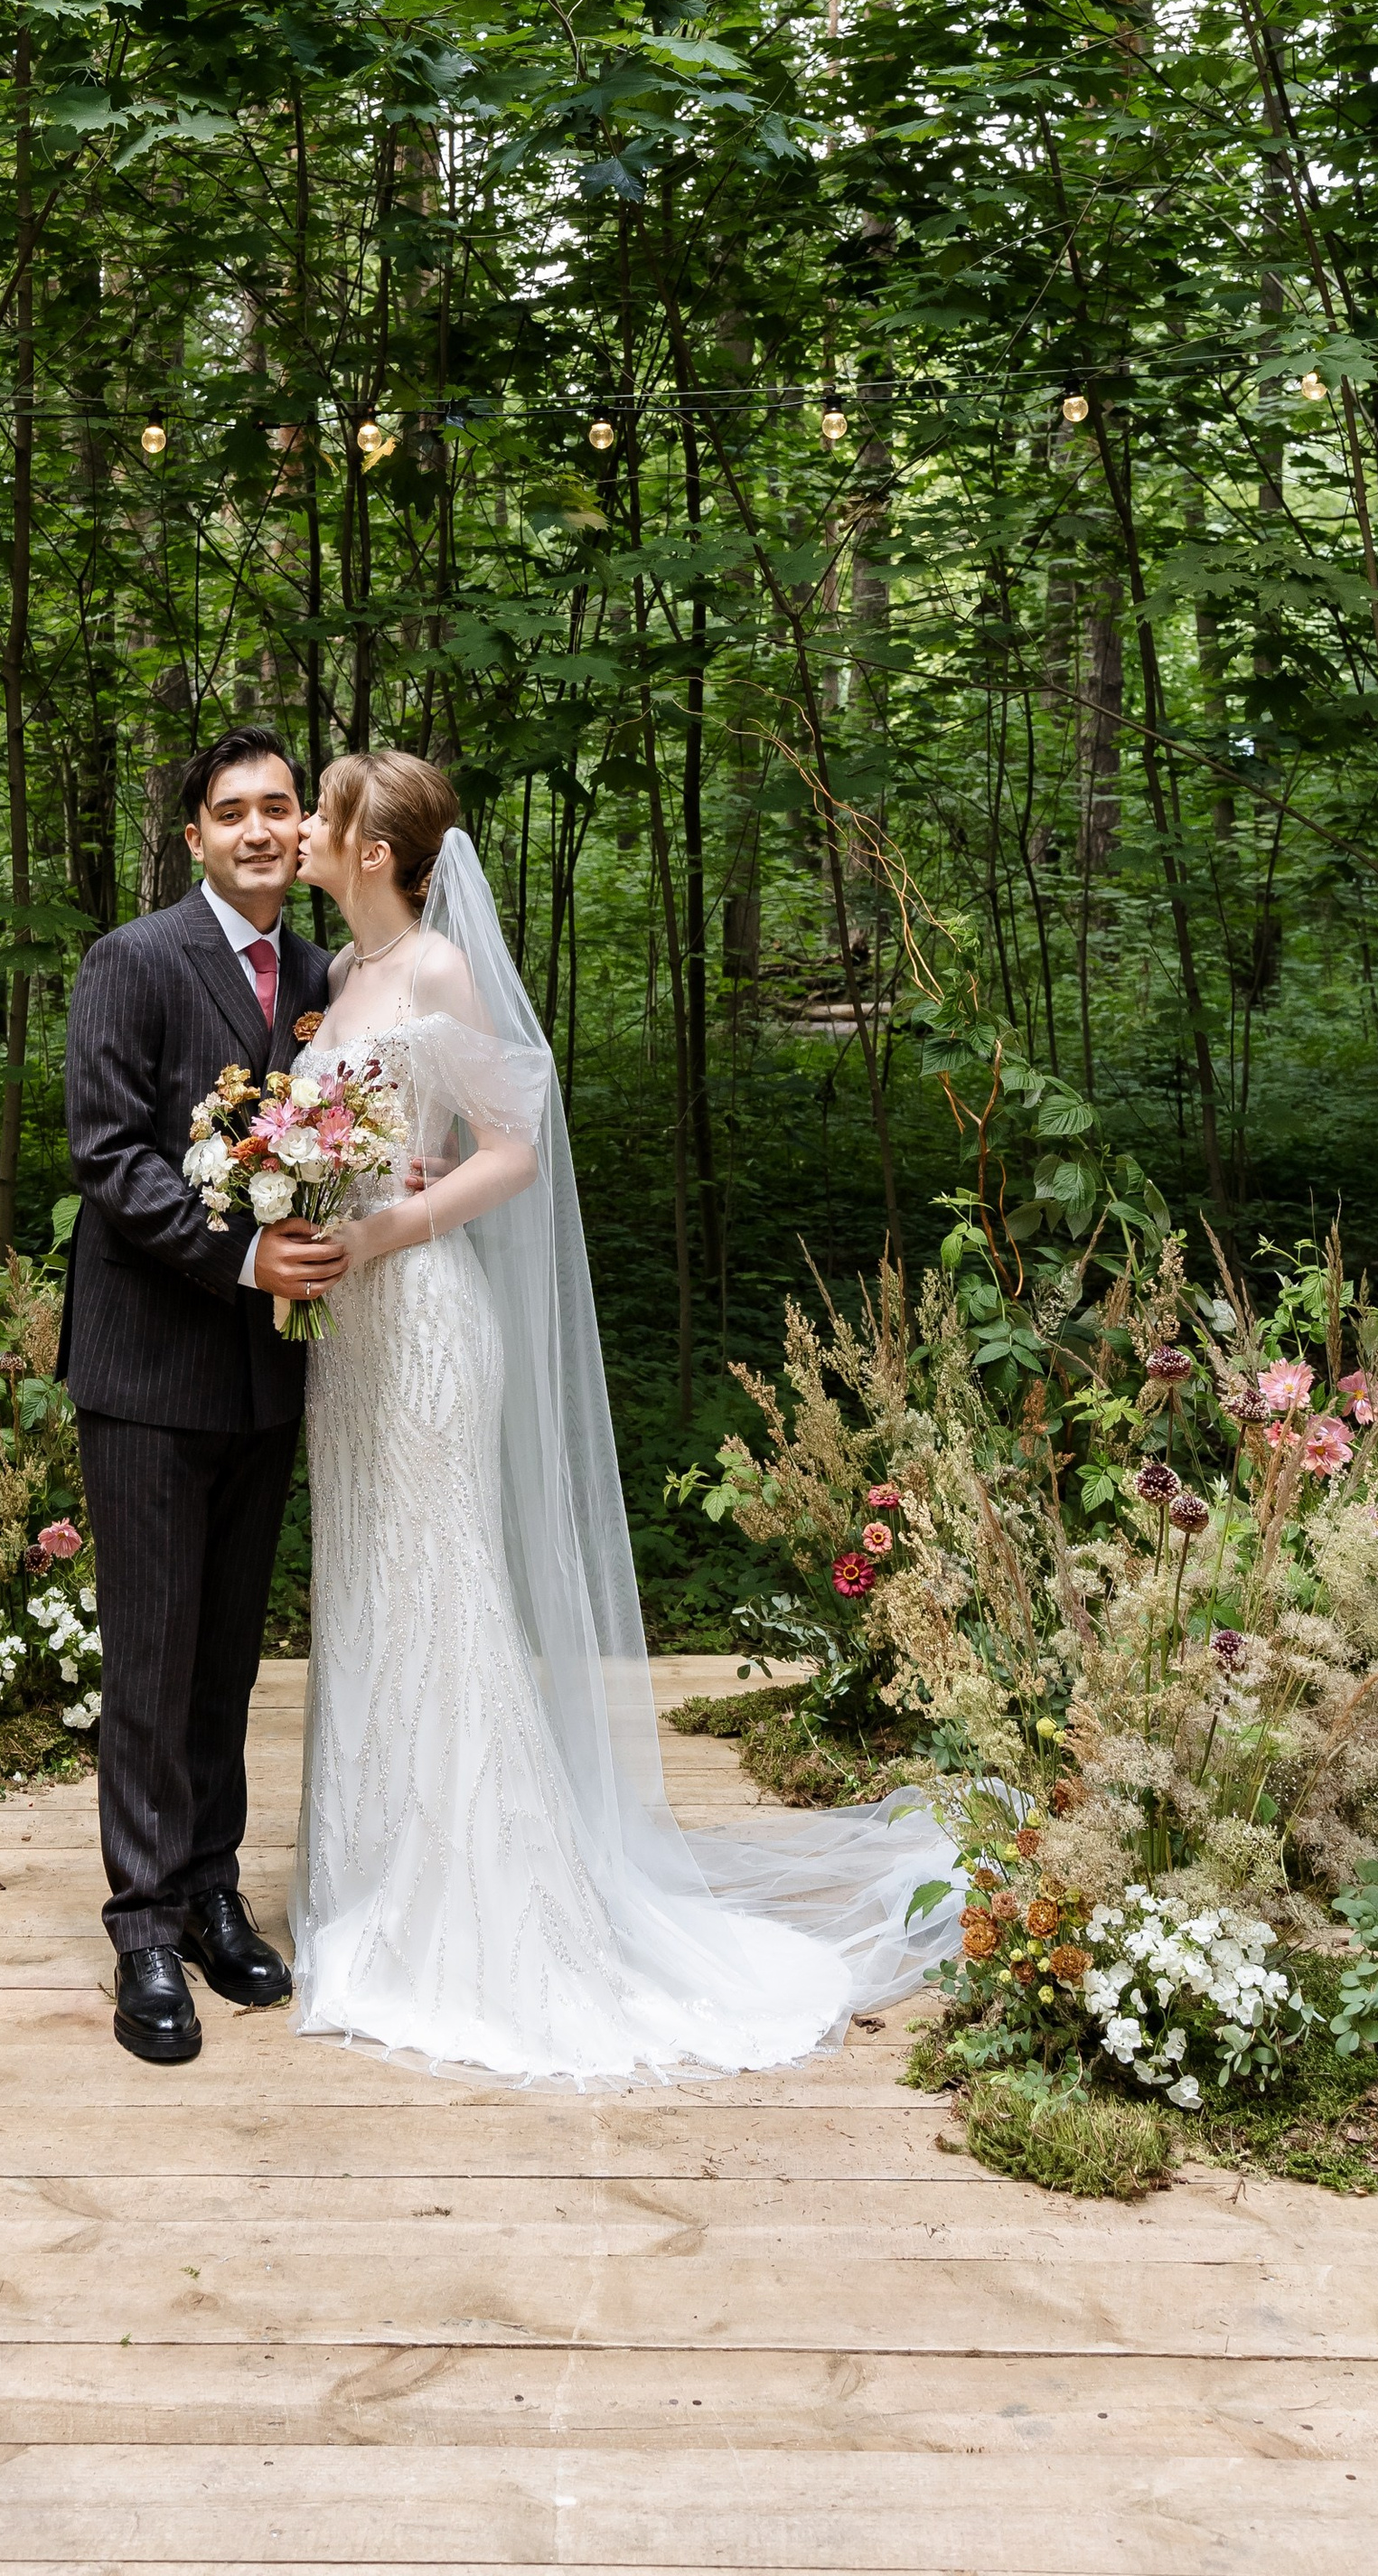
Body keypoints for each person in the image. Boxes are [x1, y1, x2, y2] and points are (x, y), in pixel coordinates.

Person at [288, 746, 961, 2082]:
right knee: (370, 1584)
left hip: (420, 1317)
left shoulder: (432, 969)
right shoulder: (342, 980)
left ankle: (482, 1909)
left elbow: (515, 1150)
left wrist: (387, 1231)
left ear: (375, 849)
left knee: (443, 1587)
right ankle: (376, 1877)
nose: (303, 826)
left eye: (324, 808)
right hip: (345, 1337)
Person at [58, 726, 340, 2065]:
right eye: (234, 813)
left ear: (306, 826)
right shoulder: (135, 962)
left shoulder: (325, 975)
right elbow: (109, 1156)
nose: (262, 831)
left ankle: (217, 1889)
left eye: (281, 808)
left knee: (229, 1656)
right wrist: (242, 1252)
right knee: (153, 1661)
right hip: (151, 1368)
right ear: (195, 838)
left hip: (265, 1374)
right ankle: (144, 1928)